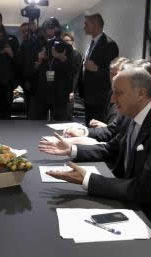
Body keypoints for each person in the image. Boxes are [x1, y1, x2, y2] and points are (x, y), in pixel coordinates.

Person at [39, 67, 151, 215]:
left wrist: (88, 179)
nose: (112, 99)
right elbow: (110, 149)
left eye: (118, 93)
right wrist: (72, 149)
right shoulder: (128, 116)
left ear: (141, 93)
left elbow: (143, 190)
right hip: (125, 196)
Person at [28, 17, 73, 120]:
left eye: (52, 28)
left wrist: (61, 57)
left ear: (57, 30)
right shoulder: (37, 46)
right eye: (47, 29)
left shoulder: (66, 47)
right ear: (43, 31)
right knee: (37, 125)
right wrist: (39, 60)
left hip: (60, 92)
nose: (50, 32)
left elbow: (72, 70)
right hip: (41, 92)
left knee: (60, 124)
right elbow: (30, 71)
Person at [80, 13, 119, 125]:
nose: (84, 27)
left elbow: (113, 73)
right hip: (88, 96)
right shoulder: (92, 43)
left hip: (100, 98)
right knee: (89, 126)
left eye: (86, 24)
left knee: (97, 128)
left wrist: (96, 69)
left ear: (95, 24)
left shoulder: (109, 44)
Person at [61, 32, 82, 120]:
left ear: (72, 41)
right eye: (63, 41)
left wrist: (72, 90)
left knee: (67, 115)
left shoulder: (76, 54)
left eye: (67, 40)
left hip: (70, 89)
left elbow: (76, 74)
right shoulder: (62, 53)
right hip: (61, 89)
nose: (65, 43)